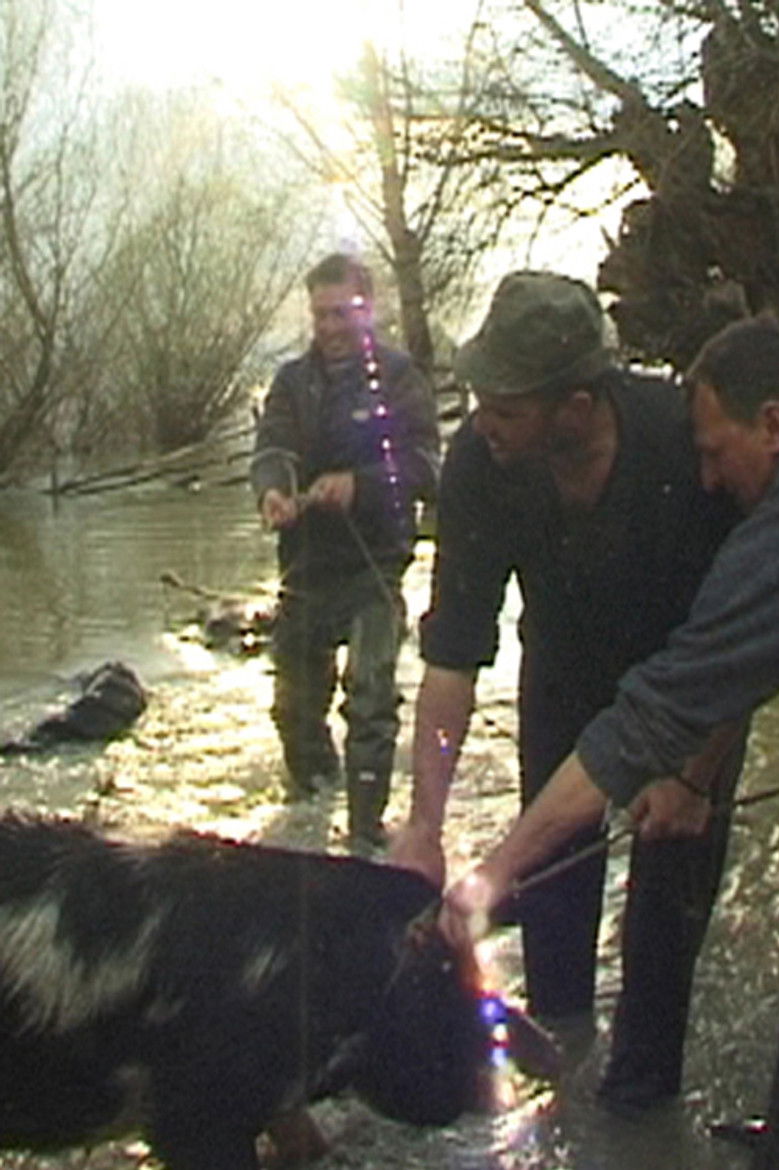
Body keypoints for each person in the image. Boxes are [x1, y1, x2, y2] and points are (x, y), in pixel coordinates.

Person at [391, 270, 748, 1110]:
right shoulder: (481, 462)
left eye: (506, 408)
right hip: (561, 684)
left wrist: (694, 775)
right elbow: (452, 661)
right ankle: (560, 1111)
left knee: (662, 930)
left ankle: (637, 1109)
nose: (484, 423)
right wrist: (423, 822)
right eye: (477, 401)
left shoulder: (681, 444)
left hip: (690, 706)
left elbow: (748, 642)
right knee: (549, 921)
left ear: (579, 408)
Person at [250, 252, 439, 854]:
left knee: (372, 696)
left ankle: (364, 836)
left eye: (342, 313)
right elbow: (270, 447)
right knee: (295, 710)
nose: (330, 327)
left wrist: (360, 484)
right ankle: (310, 820)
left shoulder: (401, 377)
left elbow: (427, 467)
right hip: (304, 567)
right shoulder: (289, 382)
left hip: (374, 566)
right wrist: (274, 491)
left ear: (367, 309)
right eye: (320, 315)